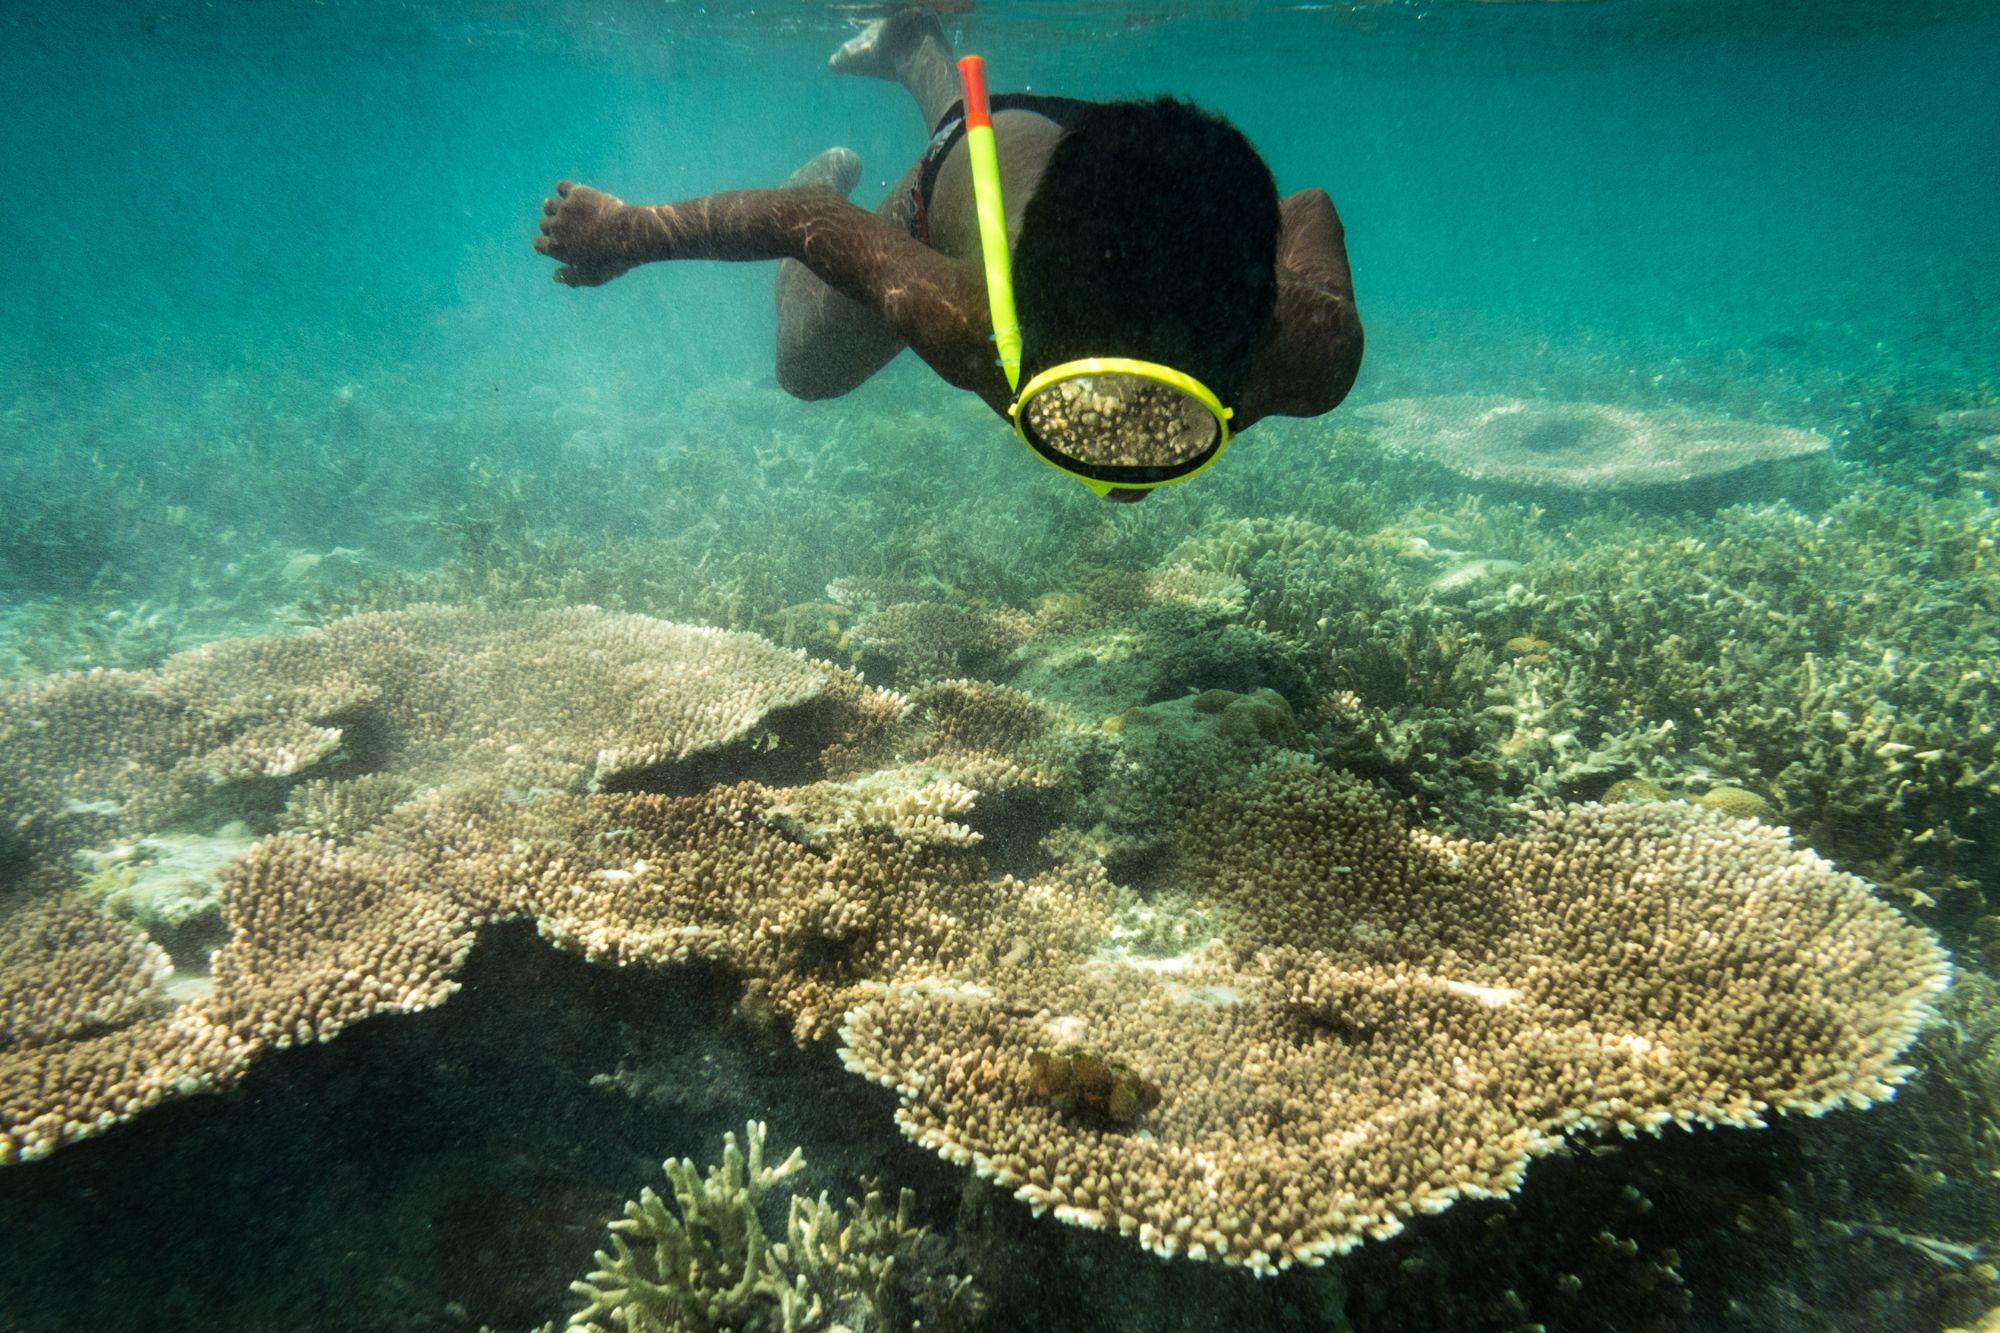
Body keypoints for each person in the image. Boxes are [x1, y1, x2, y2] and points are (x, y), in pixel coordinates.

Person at [535, 7, 1362, 502]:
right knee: (807, 369)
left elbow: (1306, 207)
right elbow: (803, 218)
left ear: (1255, 339)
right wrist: (631, 233)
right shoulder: (966, 318)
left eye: (1157, 410)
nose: (1116, 442)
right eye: (1084, 394)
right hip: (966, 179)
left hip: (1089, 162)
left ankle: (913, 42)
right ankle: (906, 68)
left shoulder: (1305, 344)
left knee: (988, 134)